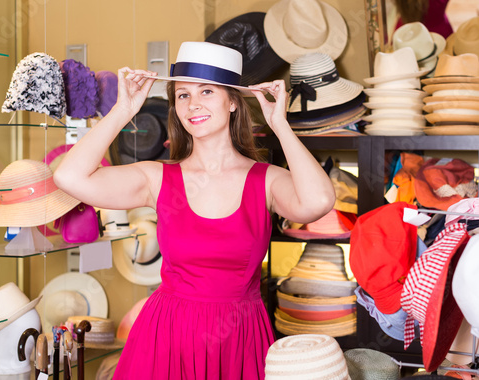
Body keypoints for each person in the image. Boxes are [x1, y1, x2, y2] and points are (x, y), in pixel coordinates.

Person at [54, 41, 335, 379]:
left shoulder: (266, 181)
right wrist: (123, 110)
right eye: (183, 95)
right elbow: (68, 176)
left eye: (206, 91)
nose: (193, 104)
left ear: (233, 101)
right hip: (166, 336)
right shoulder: (157, 178)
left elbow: (318, 201)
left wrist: (281, 125)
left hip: (239, 336)